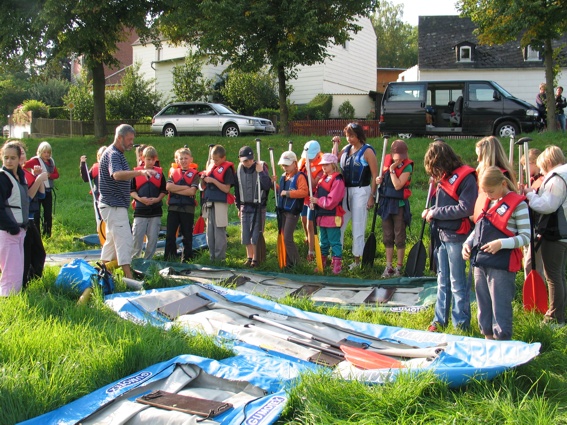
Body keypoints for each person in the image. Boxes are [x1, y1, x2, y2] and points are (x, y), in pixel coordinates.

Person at [463, 167, 530, 340]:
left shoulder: (519, 204)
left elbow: (526, 237)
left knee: (500, 306)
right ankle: (487, 339)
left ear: (502, 184)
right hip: (481, 262)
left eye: (491, 191)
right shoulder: (488, 201)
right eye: (484, 192)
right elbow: (479, 227)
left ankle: (502, 344)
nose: (488, 195)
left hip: (502, 264)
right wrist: (468, 243)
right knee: (483, 304)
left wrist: (502, 243)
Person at [423, 141, 478, 332]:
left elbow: (466, 208)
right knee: (442, 281)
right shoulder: (445, 177)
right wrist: (431, 210)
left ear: (442, 161)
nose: (435, 172)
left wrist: (436, 212)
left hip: (457, 237)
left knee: (457, 283)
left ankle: (461, 324)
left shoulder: (466, 177)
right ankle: (439, 320)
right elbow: (444, 205)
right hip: (442, 235)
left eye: (435, 167)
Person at [98, 124, 156, 279]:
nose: (132, 142)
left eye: (133, 139)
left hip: (112, 205)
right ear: (119, 137)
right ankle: (128, 277)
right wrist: (140, 172)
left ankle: (102, 272)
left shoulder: (117, 153)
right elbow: (116, 175)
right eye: (129, 139)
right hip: (113, 205)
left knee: (111, 240)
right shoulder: (114, 154)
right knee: (124, 240)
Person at [523, 146, 567, 327]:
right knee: (560, 275)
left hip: (556, 233)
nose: (541, 171)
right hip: (563, 233)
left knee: (553, 276)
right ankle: (561, 313)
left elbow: (548, 205)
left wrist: (530, 196)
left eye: (542, 167)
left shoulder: (557, 177)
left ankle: (555, 318)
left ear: (548, 163)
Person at [332, 123, 379, 270]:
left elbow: (375, 175)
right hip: (344, 191)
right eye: (347, 136)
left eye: (352, 136)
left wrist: (372, 195)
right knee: (339, 224)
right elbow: (333, 160)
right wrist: (335, 144)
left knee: (358, 226)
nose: (349, 139)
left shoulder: (367, 151)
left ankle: (357, 260)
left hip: (361, 190)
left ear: (359, 135)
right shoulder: (346, 149)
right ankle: (336, 257)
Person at [376, 139, 413, 277]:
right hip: (386, 203)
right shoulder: (386, 161)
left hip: (399, 205)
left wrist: (391, 170)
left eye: (402, 156)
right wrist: (379, 180)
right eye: (397, 156)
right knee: (387, 236)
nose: (399, 159)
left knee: (399, 236)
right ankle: (388, 266)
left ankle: (399, 267)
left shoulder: (407, 166)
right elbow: (382, 181)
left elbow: (398, 185)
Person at [0, 141, 29, 296]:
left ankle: (15, 298)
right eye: (6, 158)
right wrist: (12, 227)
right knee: (10, 271)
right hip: (8, 231)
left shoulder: (19, 176)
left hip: (20, 229)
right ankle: (7, 299)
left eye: (12, 158)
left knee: (17, 270)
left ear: (19, 159)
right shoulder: (2, 178)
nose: (9, 161)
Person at [17, 142, 48, 287]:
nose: (22, 156)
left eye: (23, 153)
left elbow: (41, 195)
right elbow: (27, 198)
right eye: (20, 153)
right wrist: (38, 180)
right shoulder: (17, 176)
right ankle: (24, 284)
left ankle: (34, 281)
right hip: (22, 219)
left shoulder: (27, 173)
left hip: (31, 218)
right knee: (28, 254)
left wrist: (39, 178)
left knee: (39, 253)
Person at [234, 146, 271, 267]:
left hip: (258, 207)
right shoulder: (239, 169)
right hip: (245, 206)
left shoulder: (261, 167)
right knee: (245, 234)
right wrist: (238, 206)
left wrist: (261, 172)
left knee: (255, 234)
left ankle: (256, 258)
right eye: (245, 160)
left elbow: (267, 185)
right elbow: (237, 190)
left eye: (249, 159)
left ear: (253, 158)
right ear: (240, 160)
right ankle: (249, 257)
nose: (248, 162)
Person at [310, 153, 346, 274]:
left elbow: (333, 200)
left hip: (332, 216)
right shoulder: (322, 179)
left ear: (333, 164)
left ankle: (337, 266)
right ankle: (322, 263)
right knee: (323, 241)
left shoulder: (337, 180)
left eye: (326, 164)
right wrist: (313, 201)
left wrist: (317, 201)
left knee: (334, 241)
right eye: (322, 165)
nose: (323, 167)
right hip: (322, 216)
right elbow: (318, 194)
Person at [130, 146, 167, 260]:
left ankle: (148, 261)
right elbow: (132, 191)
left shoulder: (160, 174)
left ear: (156, 159)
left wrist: (157, 199)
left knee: (153, 238)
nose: (150, 162)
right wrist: (140, 199)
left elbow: (163, 190)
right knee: (137, 237)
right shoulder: (136, 173)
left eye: (153, 159)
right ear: (143, 158)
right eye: (148, 159)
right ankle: (135, 259)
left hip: (155, 211)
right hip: (141, 210)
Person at [165, 147, 200, 262]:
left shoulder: (194, 174)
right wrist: (185, 188)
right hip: (173, 208)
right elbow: (168, 187)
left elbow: (192, 191)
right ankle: (169, 257)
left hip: (187, 209)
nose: (184, 161)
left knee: (187, 235)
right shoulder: (173, 173)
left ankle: (187, 258)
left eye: (186, 158)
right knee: (170, 235)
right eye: (181, 159)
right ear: (177, 161)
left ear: (191, 159)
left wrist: (176, 189)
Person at [201, 145, 235, 262]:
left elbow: (226, 189)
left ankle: (220, 258)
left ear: (223, 158)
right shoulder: (211, 167)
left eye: (217, 160)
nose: (214, 162)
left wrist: (213, 181)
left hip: (220, 203)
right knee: (209, 231)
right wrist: (204, 178)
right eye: (213, 159)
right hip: (209, 202)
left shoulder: (228, 170)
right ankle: (212, 257)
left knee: (219, 231)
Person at [275, 151, 309, 267]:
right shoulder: (284, 176)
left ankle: (297, 264)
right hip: (283, 210)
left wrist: (288, 193)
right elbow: (281, 191)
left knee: (288, 238)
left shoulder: (299, 177)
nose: (285, 168)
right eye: (283, 165)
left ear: (295, 164)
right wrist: (273, 185)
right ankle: (289, 263)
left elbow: (304, 192)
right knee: (285, 237)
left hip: (292, 212)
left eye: (287, 165)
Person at [24, 141, 59, 237]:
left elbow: (56, 174)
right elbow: (23, 165)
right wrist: (32, 175)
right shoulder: (35, 160)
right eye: (44, 152)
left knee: (48, 213)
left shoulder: (51, 161)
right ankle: (37, 234)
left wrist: (49, 175)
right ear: (40, 152)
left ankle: (47, 233)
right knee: (36, 213)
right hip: (37, 191)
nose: (47, 154)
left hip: (48, 190)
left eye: (48, 152)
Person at [519, 148, 544, 278]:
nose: (523, 169)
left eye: (525, 165)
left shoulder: (541, 181)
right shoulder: (533, 181)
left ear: (534, 163)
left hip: (537, 228)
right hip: (529, 226)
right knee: (527, 263)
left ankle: (536, 296)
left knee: (532, 265)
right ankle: (528, 294)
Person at [298, 140, 324, 262]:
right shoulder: (303, 161)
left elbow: (313, 183)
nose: (309, 160)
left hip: (314, 196)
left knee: (310, 223)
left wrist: (309, 170)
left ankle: (311, 251)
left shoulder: (322, 165)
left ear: (318, 154)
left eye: (311, 158)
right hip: (304, 195)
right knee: (303, 219)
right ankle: (308, 238)